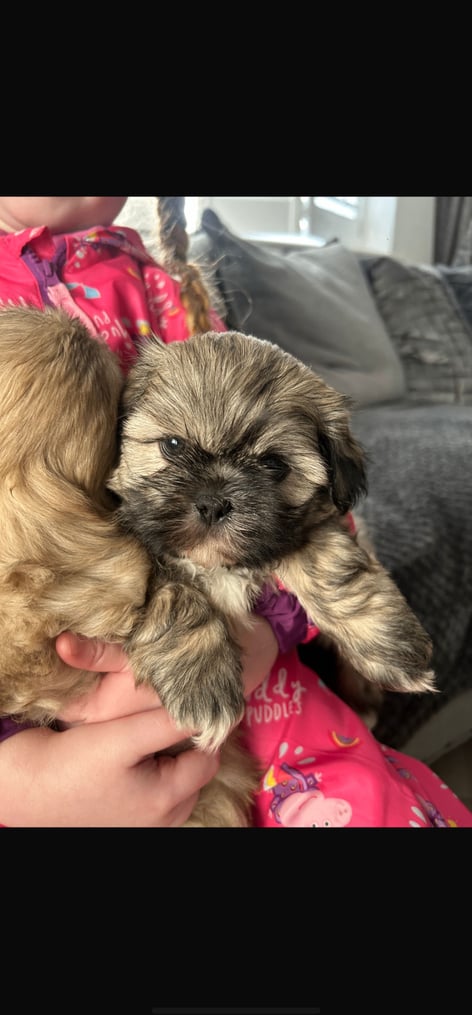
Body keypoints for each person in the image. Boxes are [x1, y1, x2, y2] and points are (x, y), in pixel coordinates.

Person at [0, 196, 471, 828]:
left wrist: (262, 634)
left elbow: (321, 528)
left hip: (256, 701)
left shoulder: (162, 289)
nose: (214, 496)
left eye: (272, 468)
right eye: (171, 449)